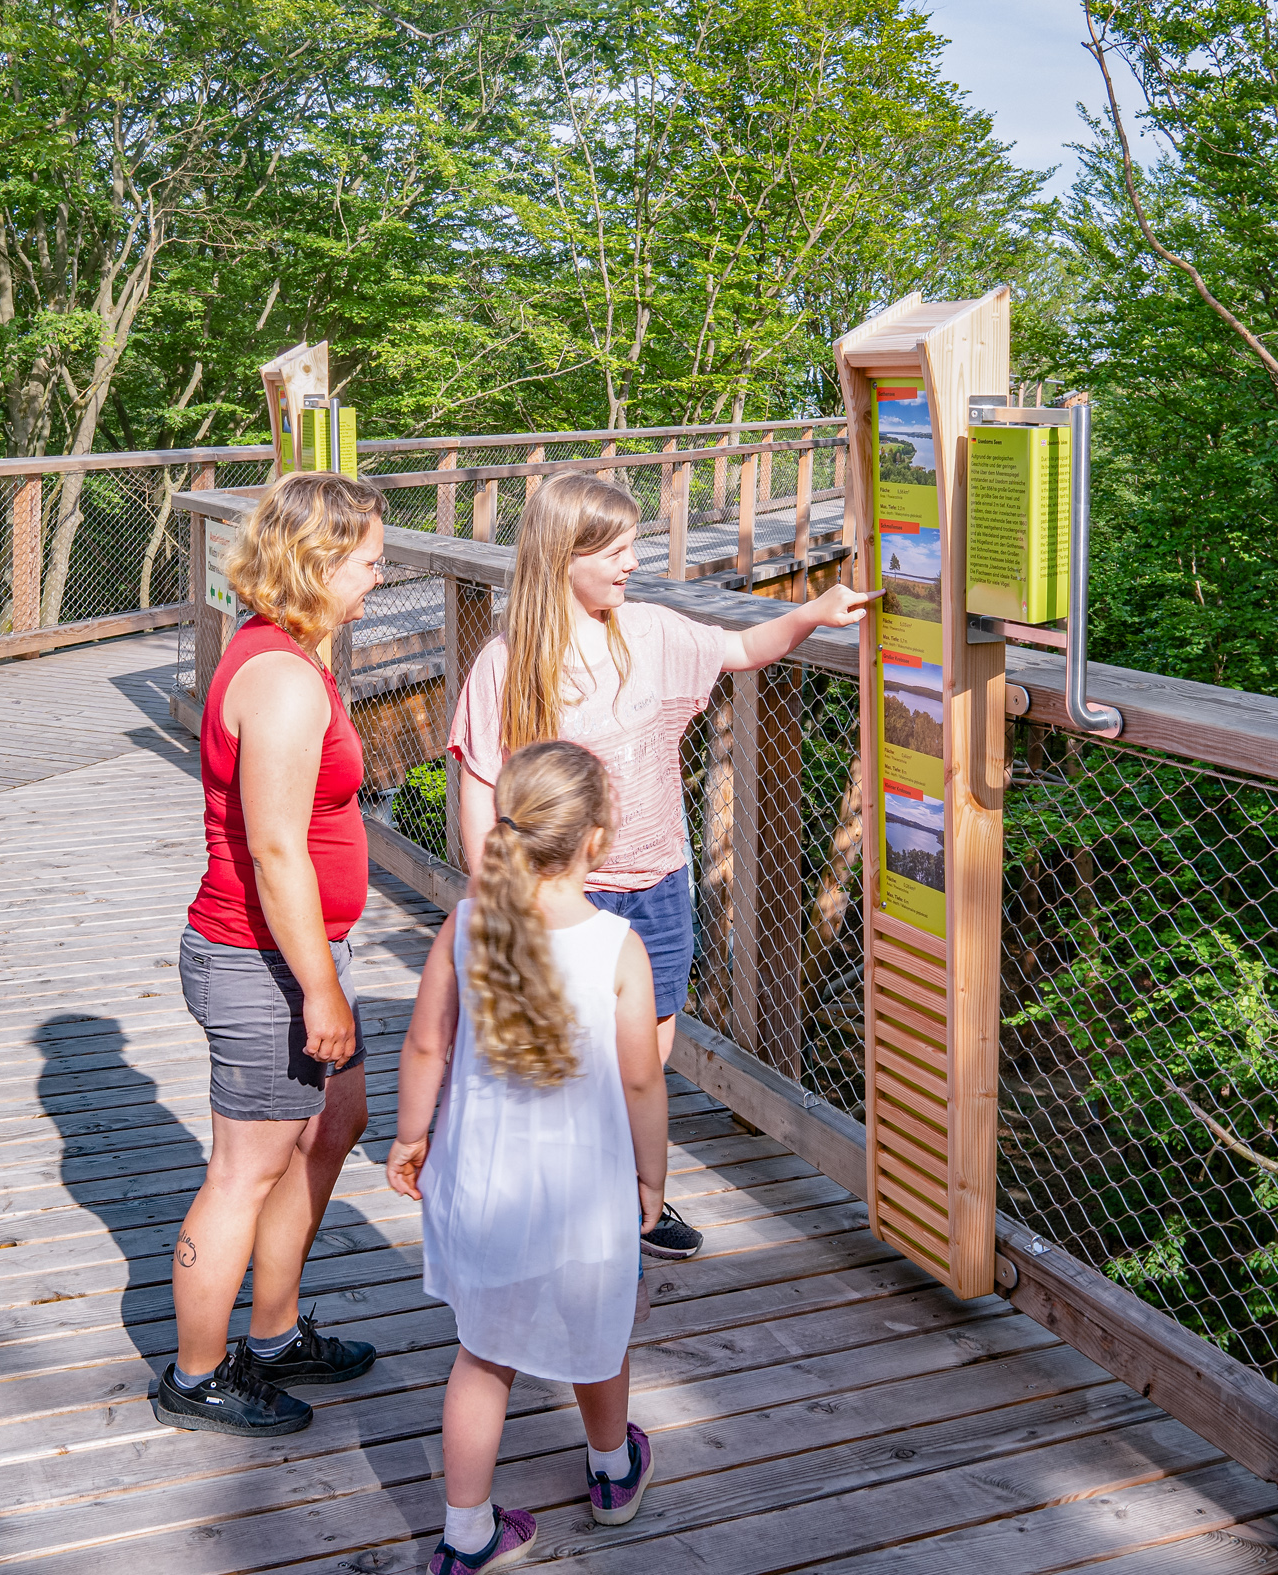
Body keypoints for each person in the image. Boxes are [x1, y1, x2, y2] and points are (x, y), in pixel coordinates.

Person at [446, 473, 877, 1261]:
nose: (631, 563)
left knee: (650, 1043)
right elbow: (479, 786)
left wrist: (814, 612)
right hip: (557, 893)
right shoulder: (504, 664)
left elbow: (743, 648)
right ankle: (576, 1194)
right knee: (570, 1050)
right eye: (613, 551)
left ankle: (628, 1190)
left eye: (632, 546)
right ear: (560, 555)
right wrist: (499, 895)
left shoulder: (648, 632)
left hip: (659, 878)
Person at [387, 741, 670, 1573]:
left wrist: (410, 1136)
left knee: (484, 1353)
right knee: (602, 1325)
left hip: (481, 1185)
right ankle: (613, 1469)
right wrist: (650, 1175)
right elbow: (643, 1080)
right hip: (583, 1194)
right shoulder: (616, 946)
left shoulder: (467, 922)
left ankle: (465, 1532)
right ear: (597, 839)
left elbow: (424, 1045)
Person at [153, 470, 388, 1438]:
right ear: (321, 559)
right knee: (243, 1170)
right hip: (261, 962)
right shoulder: (284, 680)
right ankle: (198, 1375)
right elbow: (276, 848)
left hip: (292, 955)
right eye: (370, 560)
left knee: (335, 1120)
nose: (380, 576)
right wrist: (320, 991)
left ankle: (277, 1331)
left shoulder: (289, 653)